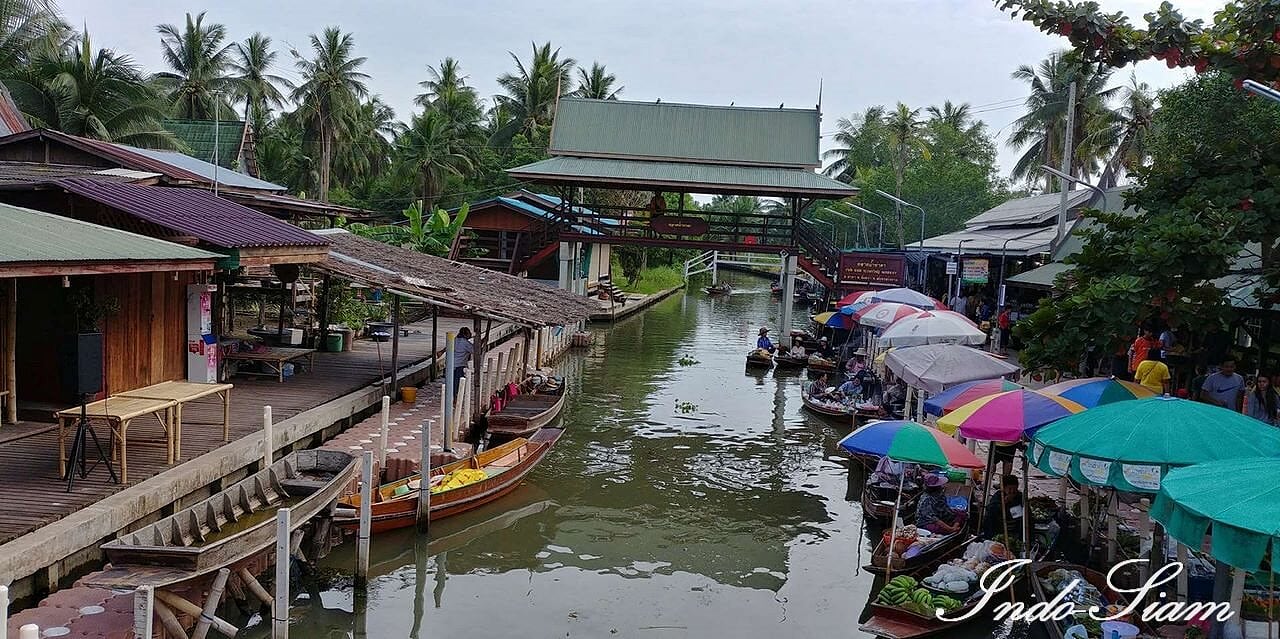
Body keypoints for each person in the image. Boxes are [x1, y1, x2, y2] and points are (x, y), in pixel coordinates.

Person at [983, 474, 1024, 539]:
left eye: (1015, 489)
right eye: (1010, 489)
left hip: (1015, 529)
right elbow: (991, 511)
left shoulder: (1020, 497)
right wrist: (1003, 503)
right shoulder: (998, 496)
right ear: (1004, 488)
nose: (1012, 491)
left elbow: (1026, 514)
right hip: (999, 529)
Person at [451, 327, 474, 397]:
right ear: (466, 334)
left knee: (451, 383)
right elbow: (475, 350)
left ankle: (453, 396)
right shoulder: (466, 343)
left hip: (450, 364)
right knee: (457, 383)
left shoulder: (454, 340)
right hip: (459, 365)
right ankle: (455, 398)